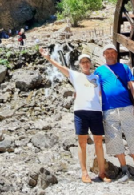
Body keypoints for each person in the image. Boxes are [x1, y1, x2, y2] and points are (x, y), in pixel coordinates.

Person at [39, 47, 111, 184]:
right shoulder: (75, 75)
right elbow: (60, 67)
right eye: (82, 62)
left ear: (90, 63)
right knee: (82, 143)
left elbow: (103, 92)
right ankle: (84, 173)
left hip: (96, 112)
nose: (85, 64)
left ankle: (102, 172)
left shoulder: (97, 77)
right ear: (79, 64)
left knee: (98, 142)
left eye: (87, 61)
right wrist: (48, 58)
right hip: (80, 112)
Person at [94, 44, 134, 182]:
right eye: (107, 52)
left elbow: (132, 85)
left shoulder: (124, 67)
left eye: (112, 52)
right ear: (104, 55)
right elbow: (95, 91)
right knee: (115, 139)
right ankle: (124, 170)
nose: (110, 54)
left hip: (126, 106)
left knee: (133, 135)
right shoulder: (99, 71)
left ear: (116, 54)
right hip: (108, 110)